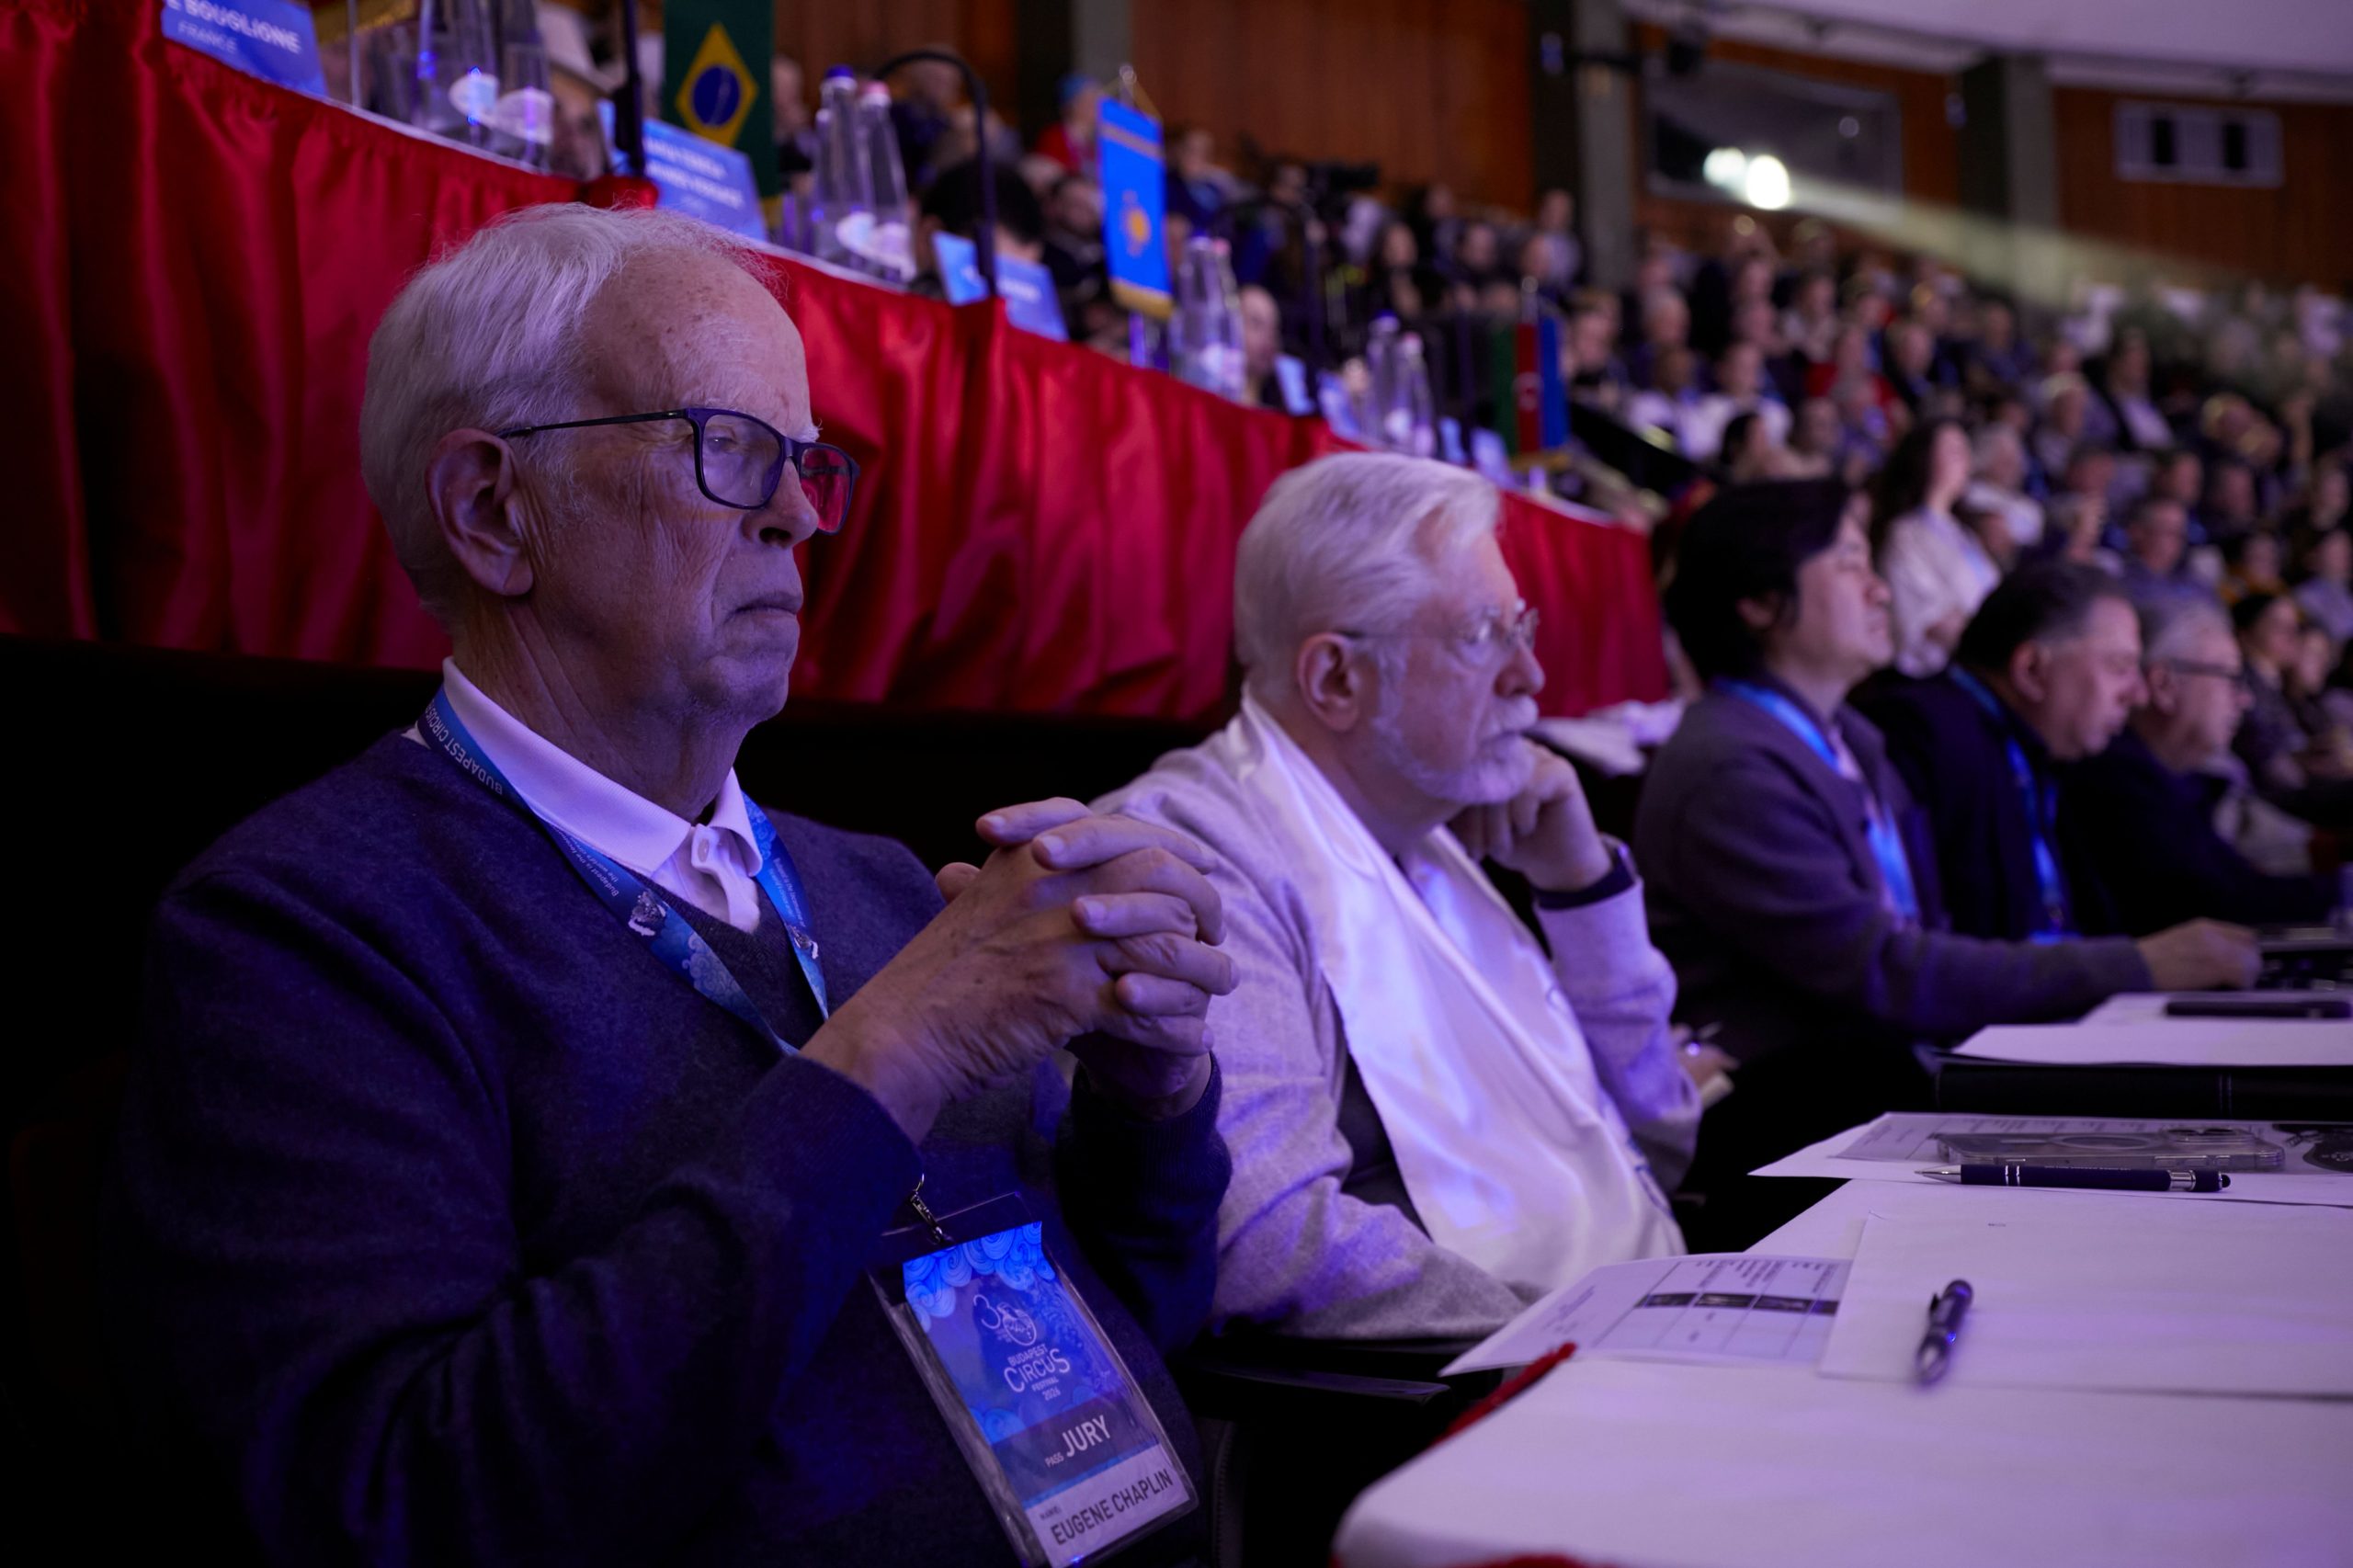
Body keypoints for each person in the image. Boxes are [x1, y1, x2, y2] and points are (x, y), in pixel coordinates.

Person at [103, 205, 1240, 1565]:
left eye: (811, 461)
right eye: (729, 449)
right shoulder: (301, 932)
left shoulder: (877, 882)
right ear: (491, 510)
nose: (801, 514)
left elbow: (1145, 1317)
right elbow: (403, 1502)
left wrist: (1150, 1099)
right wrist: (893, 1051)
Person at [1101, 453, 1699, 1339]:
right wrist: (1579, 1340)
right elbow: (1269, 1242)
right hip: (1447, 1410)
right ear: (1337, 679)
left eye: (1521, 628)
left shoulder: (1437, 826)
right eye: (1481, 636)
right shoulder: (1199, 854)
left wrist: (1582, 888)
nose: (1530, 677)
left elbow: (1659, 1142)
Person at [1639, 483, 2248, 1239]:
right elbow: (1887, 973)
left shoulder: (1849, 738)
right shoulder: (1729, 767)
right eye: (1850, 563)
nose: (1880, 587)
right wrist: (2132, 965)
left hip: (1883, 1086)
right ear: (1762, 601)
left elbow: (1922, 940)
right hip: (1789, 1127)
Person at [1860, 564, 2241, 964]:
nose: (2137, 694)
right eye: (2119, 667)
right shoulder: (1930, 737)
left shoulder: (2036, 755)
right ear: (2032, 670)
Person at [2072, 597, 2336, 933]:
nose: (2245, 699)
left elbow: (2236, 882)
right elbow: (2218, 901)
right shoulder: (2113, 779)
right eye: (2230, 678)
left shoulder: (2173, 777)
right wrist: (2341, 892)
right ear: (2165, 686)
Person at [1875, 419, 1997, 677]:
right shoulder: (1906, 534)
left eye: (1966, 451)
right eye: (1954, 451)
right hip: (1945, 673)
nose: (1966, 460)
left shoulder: (1963, 534)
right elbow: (1928, 621)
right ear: (1925, 458)